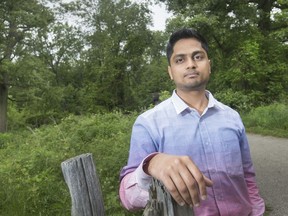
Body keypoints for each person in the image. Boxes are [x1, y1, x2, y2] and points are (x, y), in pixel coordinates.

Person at [119, 28, 265, 215]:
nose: (191, 65)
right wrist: (151, 164)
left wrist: (258, 211)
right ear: (170, 72)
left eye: (198, 57)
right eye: (180, 60)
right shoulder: (148, 123)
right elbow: (128, 198)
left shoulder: (232, 117)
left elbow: (247, 177)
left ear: (209, 65)